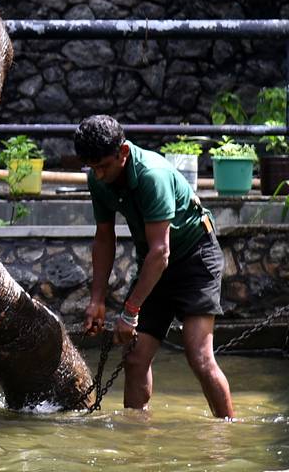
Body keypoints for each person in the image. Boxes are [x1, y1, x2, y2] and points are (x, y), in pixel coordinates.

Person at [74, 115, 234, 418]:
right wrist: (97, 300)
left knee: (199, 356)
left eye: (104, 166)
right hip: (154, 264)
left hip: (194, 259)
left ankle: (227, 432)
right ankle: (137, 441)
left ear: (122, 152)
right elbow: (104, 238)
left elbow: (162, 251)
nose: (98, 174)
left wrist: (130, 312)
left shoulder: (152, 175)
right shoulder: (99, 178)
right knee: (134, 359)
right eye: (91, 167)